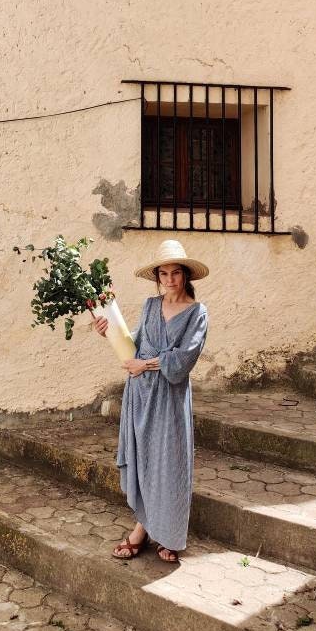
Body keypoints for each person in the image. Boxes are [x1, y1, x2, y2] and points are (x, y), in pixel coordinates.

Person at [93, 239, 209, 563]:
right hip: (140, 395)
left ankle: (169, 534)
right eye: (164, 273)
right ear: (157, 276)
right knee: (144, 460)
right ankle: (142, 528)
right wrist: (108, 332)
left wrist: (146, 364)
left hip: (170, 399)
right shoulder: (149, 305)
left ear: (186, 276)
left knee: (169, 463)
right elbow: (136, 344)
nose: (170, 280)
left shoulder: (197, 313)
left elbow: (184, 360)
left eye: (176, 273)